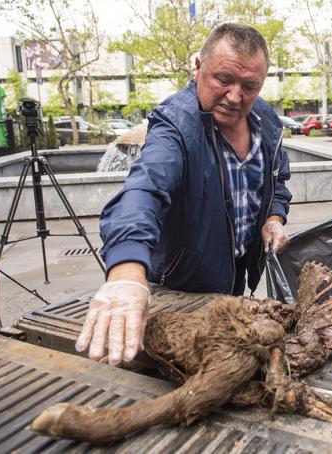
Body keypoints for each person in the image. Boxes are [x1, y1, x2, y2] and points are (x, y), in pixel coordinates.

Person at [75, 23, 292, 366]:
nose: (235, 97)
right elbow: (144, 190)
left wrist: (274, 218)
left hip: (233, 283)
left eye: (249, 86)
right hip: (179, 289)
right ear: (197, 67)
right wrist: (126, 274)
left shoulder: (266, 119)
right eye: (223, 80)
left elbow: (278, 180)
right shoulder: (176, 124)